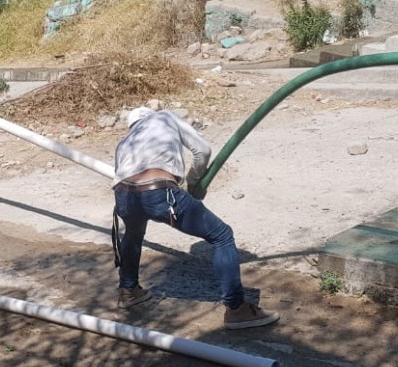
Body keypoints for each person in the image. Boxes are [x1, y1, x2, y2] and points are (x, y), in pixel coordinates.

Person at [111, 107, 279, 329]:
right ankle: (237, 309)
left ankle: (128, 290)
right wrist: (192, 184)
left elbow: (120, 174)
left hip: (123, 196)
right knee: (222, 235)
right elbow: (202, 151)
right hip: (159, 191)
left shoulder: (125, 141)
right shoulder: (164, 116)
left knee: (132, 234)